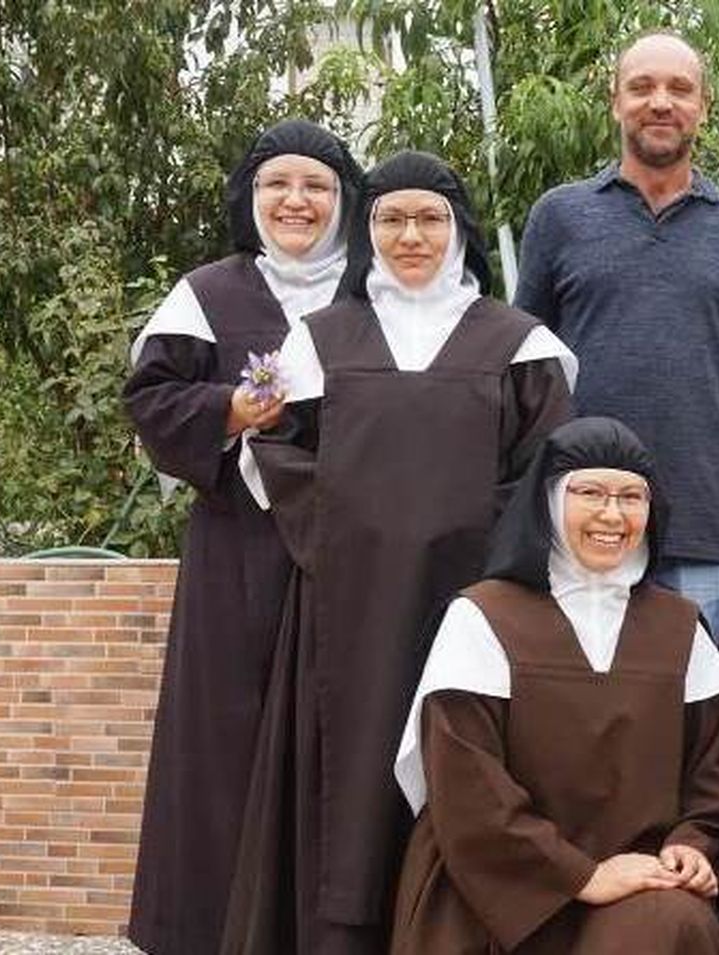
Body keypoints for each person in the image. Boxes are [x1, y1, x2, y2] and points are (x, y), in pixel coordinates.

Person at [221, 150, 576, 954]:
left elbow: (545, 468)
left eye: (429, 218)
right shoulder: (316, 340)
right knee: (349, 780)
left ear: (459, 232)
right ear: (367, 232)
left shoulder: (519, 342)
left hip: (477, 602)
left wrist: (477, 542)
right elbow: (269, 447)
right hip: (346, 602)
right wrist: (350, 530)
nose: (410, 235)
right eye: (390, 218)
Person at [122, 118, 363, 955]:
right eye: (277, 185)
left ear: (344, 201)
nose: (296, 201)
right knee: (220, 743)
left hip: (345, 558)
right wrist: (227, 409)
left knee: (333, 743)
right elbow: (151, 398)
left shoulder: (372, 294)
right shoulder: (208, 293)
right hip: (237, 552)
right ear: (250, 198)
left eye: (316, 187)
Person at [389, 416, 719, 954]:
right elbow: (465, 786)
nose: (612, 514)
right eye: (590, 492)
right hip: (497, 883)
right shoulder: (482, 616)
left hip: (638, 884)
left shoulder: (680, 627)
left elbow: (714, 770)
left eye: (631, 497)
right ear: (547, 502)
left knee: (670, 925)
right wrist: (581, 876)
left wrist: (691, 845)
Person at [514, 30, 719, 641]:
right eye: (641, 87)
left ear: (703, 107)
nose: (660, 102)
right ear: (615, 101)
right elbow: (526, 373)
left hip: (702, 533)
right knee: (582, 723)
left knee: (694, 726)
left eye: (679, 88)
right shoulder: (558, 217)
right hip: (579, 525)